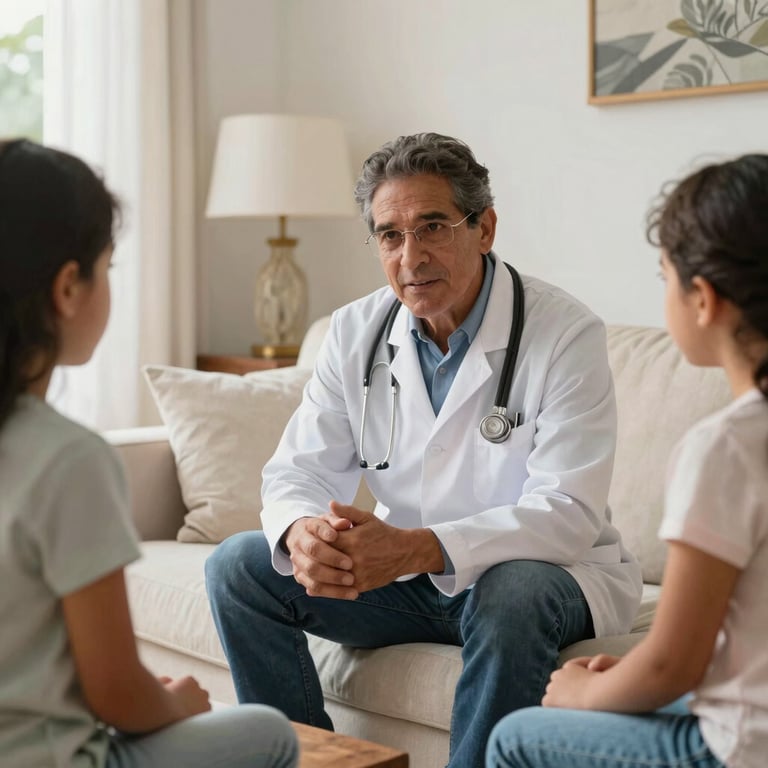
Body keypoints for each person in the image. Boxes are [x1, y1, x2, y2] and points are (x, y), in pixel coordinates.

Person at [205, 132, 642, 768]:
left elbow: (567, 512)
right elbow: (297, 469)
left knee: (510, 591)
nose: (411, 256)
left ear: (484, 228)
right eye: (389, 235)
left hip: (544, 577)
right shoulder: (354, 331)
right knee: (239, 567)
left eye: (433, 226)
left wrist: (415, 546)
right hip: (406, 581)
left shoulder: (564, 333)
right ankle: (307, 761)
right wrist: (304, 534)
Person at [0, 139, 299, 768]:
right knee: (271, 733)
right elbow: (117, 692)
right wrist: (178, 704)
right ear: (67, 287)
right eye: (106, 268)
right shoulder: (68, 460)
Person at [485, 153, 768, 768]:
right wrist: (627, 683)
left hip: (740, 748)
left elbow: (672, 662)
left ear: (704, 299)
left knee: (515, 738)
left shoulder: (727, 448)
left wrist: (587, 693)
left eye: (664, 275)